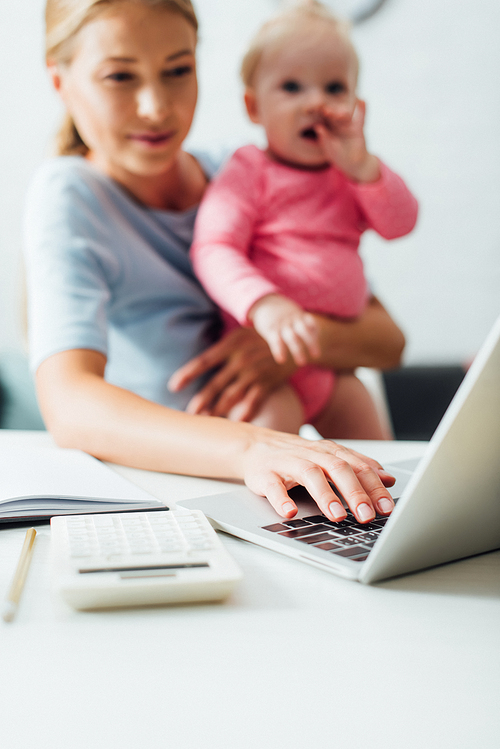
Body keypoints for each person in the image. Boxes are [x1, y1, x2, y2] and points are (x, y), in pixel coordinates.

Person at [24, 0, 403, 526]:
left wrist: (288, 342)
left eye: (178, 70)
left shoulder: (243, 171)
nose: (156, 106)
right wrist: (252, 447)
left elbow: (386, 337)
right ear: (61, 82)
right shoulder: (69, 193)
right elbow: (69, 405)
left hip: (258, 477)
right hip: (170, 487)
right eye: (119, 77)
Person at [191, 1, 418, 439]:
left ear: (356, 103)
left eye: (334, 88)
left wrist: (365, 168)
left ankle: (384, 509)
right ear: (253, 107)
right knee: (268, 453)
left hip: (333, 367)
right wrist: (265, 304)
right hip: (266, 362)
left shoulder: (352, 175)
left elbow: (401, 224)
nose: (316, 102)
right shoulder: (248, 171)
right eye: (292, 87)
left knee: (378, 460)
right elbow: (214, 248)